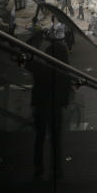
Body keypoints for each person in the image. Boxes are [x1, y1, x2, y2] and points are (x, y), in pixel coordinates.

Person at [28, 35, 72, 179]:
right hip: (56, 106)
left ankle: (38, 168)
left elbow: (28, 62)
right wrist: (64, 102)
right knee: (55, 138)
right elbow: (66, 87)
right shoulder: (63, 70)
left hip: (41, 105)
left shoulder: (41, 66)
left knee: (39, 137)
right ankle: (56, 169)